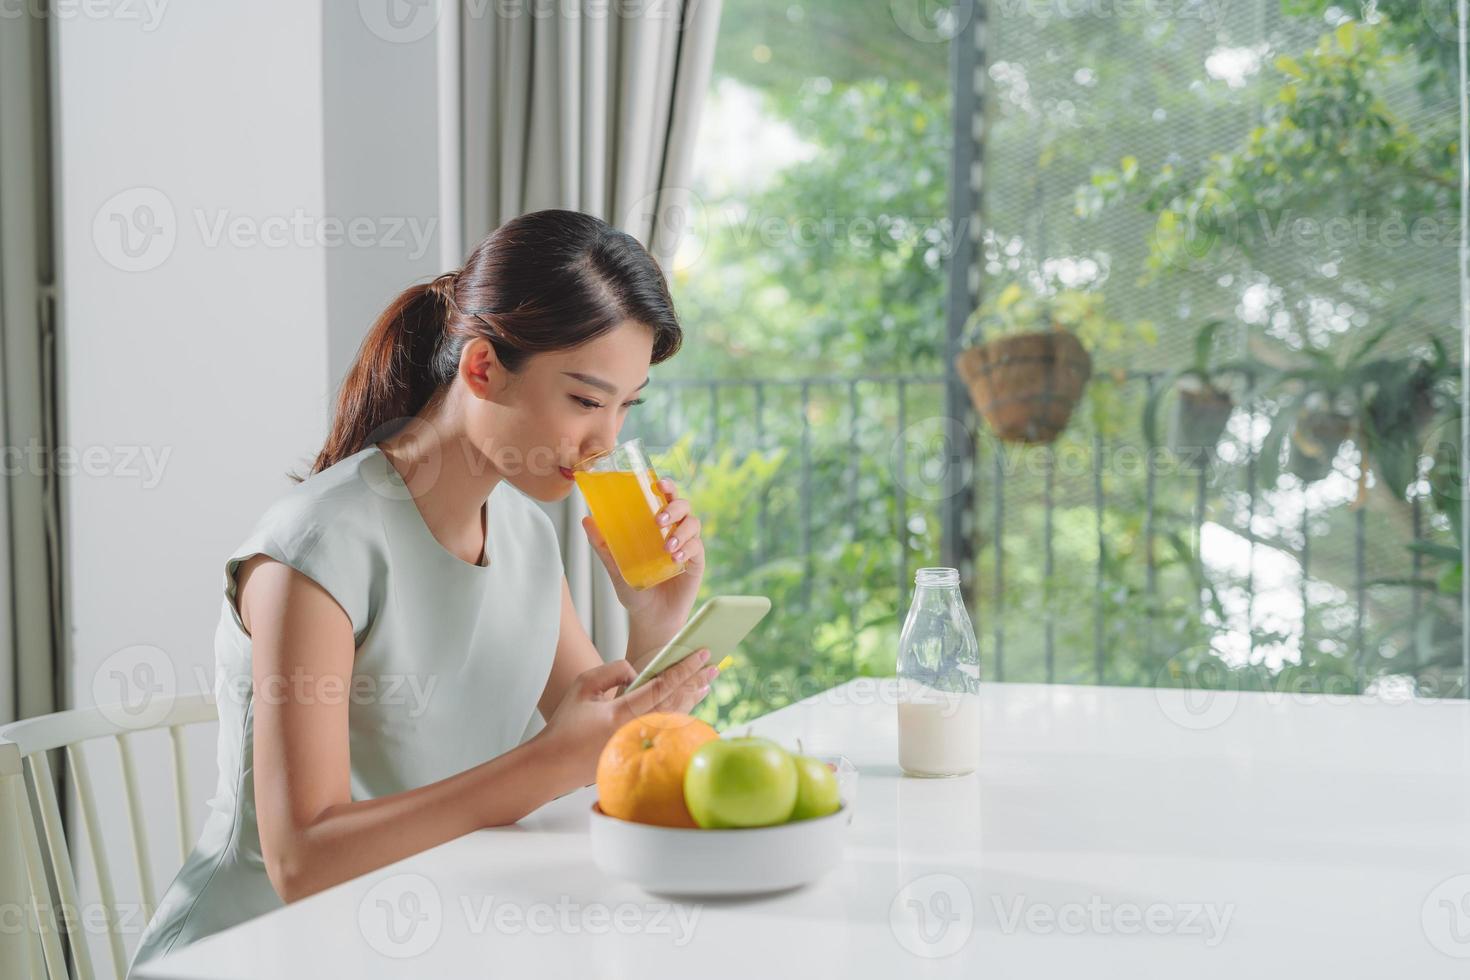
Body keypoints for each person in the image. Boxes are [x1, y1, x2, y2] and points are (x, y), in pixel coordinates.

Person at [127, 209, 716, 974]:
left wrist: (651, 625)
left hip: (420, 938)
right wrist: (542, 764)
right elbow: (301, 862)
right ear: (481, 369)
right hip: (259, 952)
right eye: (584, 400)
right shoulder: (318, 545)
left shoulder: (525, 534)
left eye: (624, 407)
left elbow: (614, 753)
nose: (605, 440)